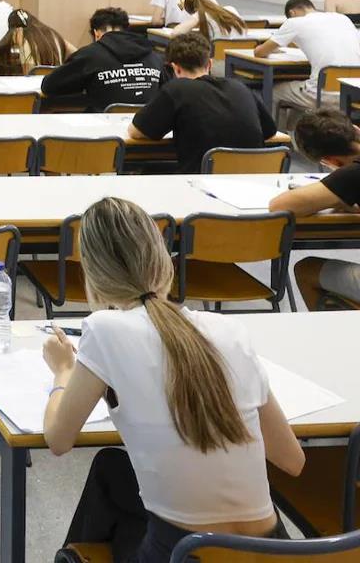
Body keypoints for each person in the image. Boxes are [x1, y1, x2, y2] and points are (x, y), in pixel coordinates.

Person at [44, 197, 304, 562]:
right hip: (273, 551)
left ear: (92, 273)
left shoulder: (104, 330)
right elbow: (292, 460)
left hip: (186, 554)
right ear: (164, 259)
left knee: (112, 479)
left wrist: (63, 372)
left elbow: (58, 439)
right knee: (112, 469)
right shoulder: (229, 330)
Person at [128, 33, 276, 174]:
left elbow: (137, 132)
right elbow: (270, 132)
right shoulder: (240, 87)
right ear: (209, 64)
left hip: (201, 181)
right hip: (252, 182)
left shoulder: (176, 90)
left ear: (175, 68)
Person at [271, 108, 360, 308]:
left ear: (330, 162)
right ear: (355, 129)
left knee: (306, 269)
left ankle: (332, 337)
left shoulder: (351, 175)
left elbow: (279, 206)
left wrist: (335, 197)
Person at [254, 0, 360, 126]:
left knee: (274, 92)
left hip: (322, 94)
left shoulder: (295, 22)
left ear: (292, 13)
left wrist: (272, 49)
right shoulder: (342, 18)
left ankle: (280, 140)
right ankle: (297, 138)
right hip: (352, 94)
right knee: (298, 97)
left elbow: (259, 52)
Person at [42, 7, 169, 111]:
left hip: (102, 135)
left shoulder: (90, 55)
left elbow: (49, 86)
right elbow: (167, 89)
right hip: (148, 131)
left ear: (96, 33)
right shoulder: (154, 56)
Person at [0, 8, 74, 75]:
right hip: (54, 85)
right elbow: (75, 51)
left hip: (31, 87)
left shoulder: (18, 32)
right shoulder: (51, 33)